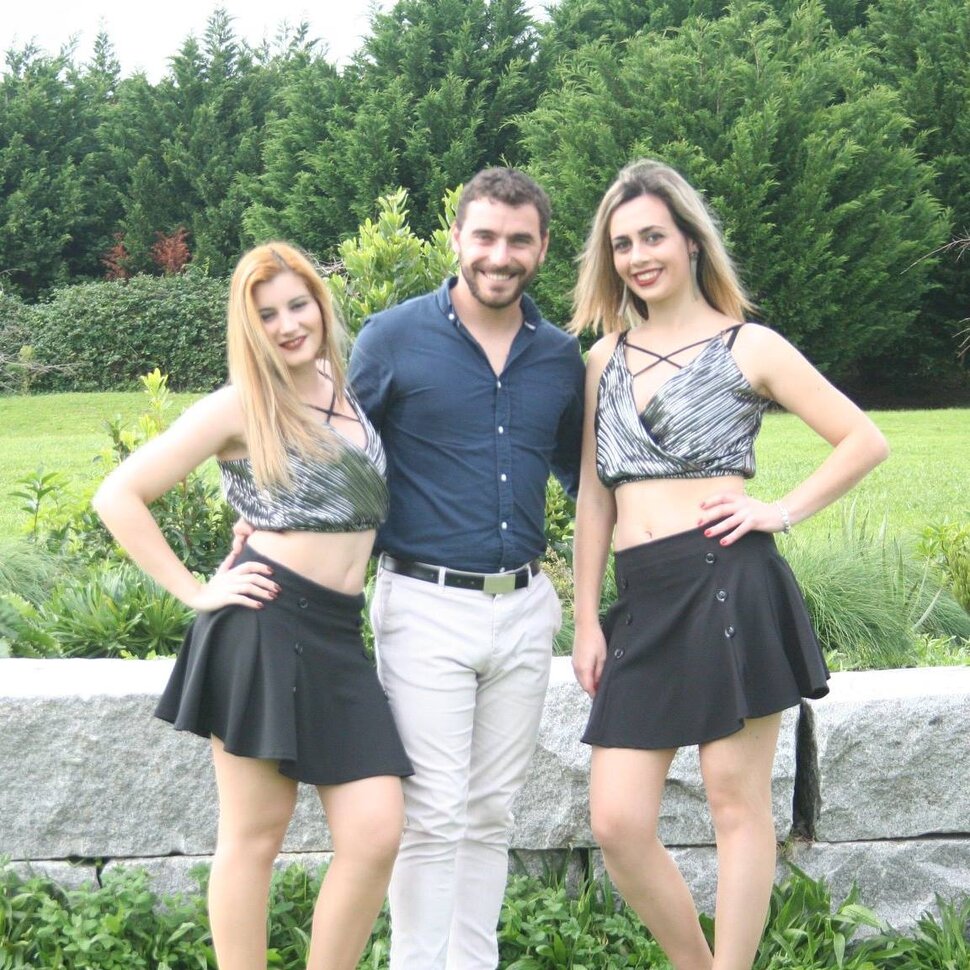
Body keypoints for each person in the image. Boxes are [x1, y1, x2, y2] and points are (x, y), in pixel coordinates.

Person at [569, 159, 888, 970]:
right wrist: (584, 619)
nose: (639, 256)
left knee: (736, 807)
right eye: (623, 244)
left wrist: (778, 510)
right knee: (617, 822)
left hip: (728, 583)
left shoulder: (750, 346)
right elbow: (594, 499)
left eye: (653, 236)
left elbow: (863, 439)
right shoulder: (603, 359)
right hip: (643, 600)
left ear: (689, 241)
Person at [93, 242, 413, 970]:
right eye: (268, 314)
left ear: (321, 305)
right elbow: (118, 495)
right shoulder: (240, 404)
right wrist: (195, 590)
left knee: (375, 833)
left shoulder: (343, 386)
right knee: (255, 836)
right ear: (249, 327)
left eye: (299, 305)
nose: (289, 324)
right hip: (264, 622)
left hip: (337, 634)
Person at [348, 167, 586, 969]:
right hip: (424, 603)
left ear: (542, 247)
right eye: (484, 236)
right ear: (456, 238)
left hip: (524, 607)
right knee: (432, 815)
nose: (499, 255)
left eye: (519, 240)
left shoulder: (560, 356)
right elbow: (337, 456)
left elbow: (584, 477)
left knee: (490, 815)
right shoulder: (391, 338)